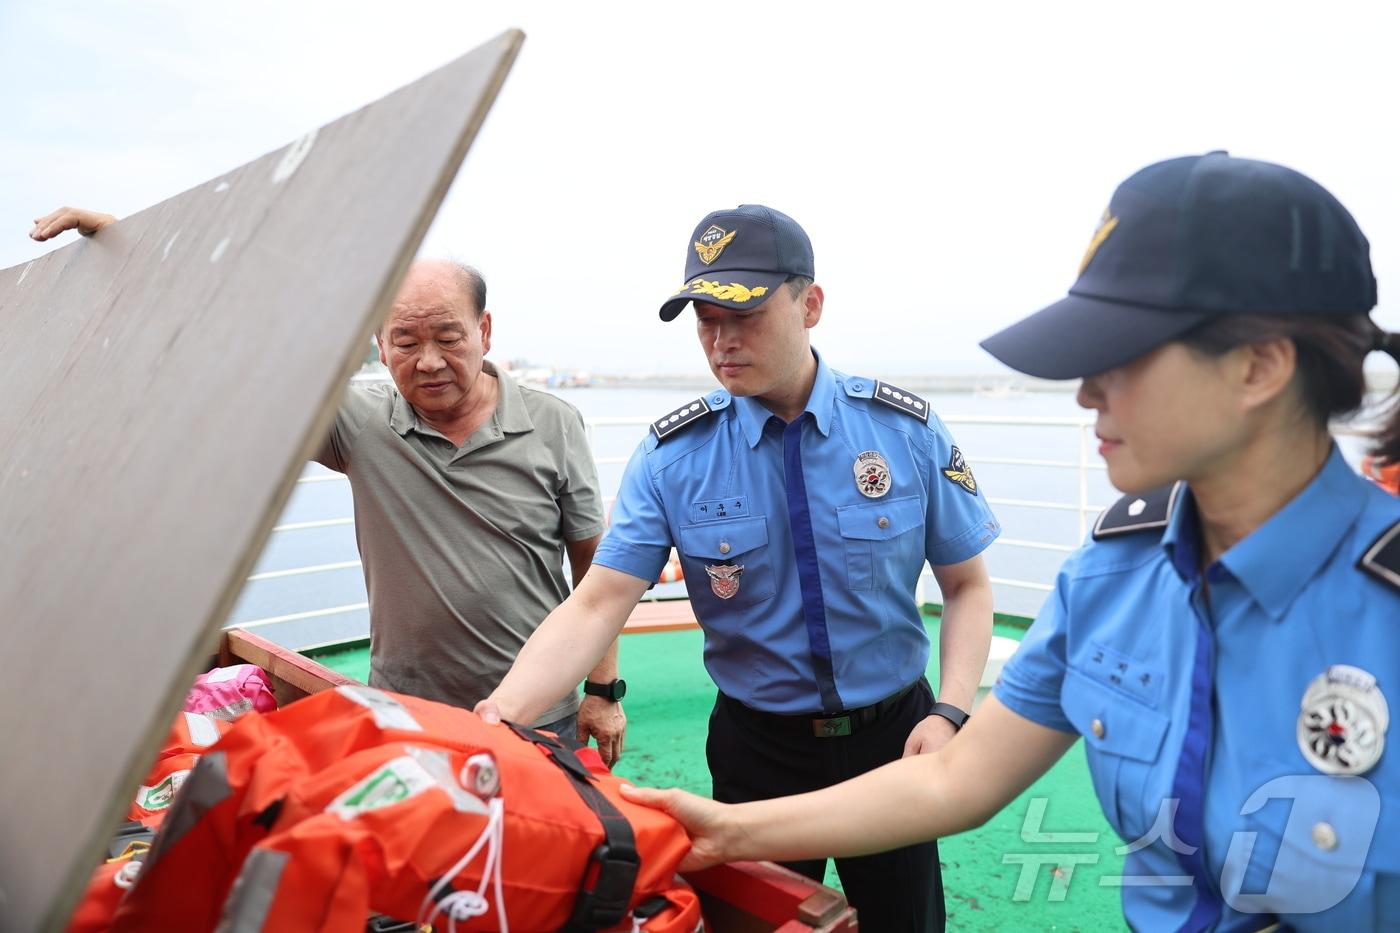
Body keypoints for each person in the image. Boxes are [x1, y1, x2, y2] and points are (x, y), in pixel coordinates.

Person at [618, 153, 1400, 930]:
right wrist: (729, 831)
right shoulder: (1111, 580)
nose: (1087, 390)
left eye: (1121, 356)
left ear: (1259, 366)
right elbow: (952, 780)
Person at [476, 204, 1000, 931]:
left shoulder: (901, 431)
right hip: (759, 750)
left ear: (809, 303)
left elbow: (966, 584)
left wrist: (951, 709)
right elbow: (598, 602)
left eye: (743, 315)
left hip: (896, 741)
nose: (721, 340)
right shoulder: (675, 457)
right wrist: (502, 715)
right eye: (704, 319)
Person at [31, 208, 629, 764]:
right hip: (406, 713)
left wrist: (602, 688)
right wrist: (130, 247)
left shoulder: (554, 423)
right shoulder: (358, 424)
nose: (427, 361)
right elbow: (240, 341)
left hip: (540, 714)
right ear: (379, 345)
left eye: (448, 336)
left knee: (543, 865)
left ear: (485, 330)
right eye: (405, 341)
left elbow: (595, 572)